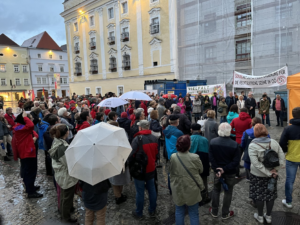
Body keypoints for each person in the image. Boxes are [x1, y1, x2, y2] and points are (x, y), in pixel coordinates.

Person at [248, 124, 285, 224]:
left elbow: (256, 163)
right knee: (270, 195)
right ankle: (268, 216)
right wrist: (274, 170)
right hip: (273, 175)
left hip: (257, 175)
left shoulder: (252, 145)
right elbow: (282, 158)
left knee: (259, 195)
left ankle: (260, 216)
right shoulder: (273, 142)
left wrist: (267, 173)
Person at [170, 135, 204, 225]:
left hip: (178, 186)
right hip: (191, 186)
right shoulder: (195, 157)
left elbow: (171, 170)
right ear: (189, 146)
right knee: (193, 213)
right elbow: (201, 170)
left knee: (179, 211)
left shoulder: (173, 156)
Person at [209, 123, 240, 220]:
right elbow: (236, 161)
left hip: (217, 171)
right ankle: (225, 213)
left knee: (216, 190)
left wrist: (217, 169)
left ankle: (214, 211)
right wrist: (225, 169)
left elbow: (211, 158)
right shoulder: (235, 144)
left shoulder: (213, 142)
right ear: (229, 131)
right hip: (230, 172)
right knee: (228, 191)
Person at [128, 120, 158, 219]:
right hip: (151, 168)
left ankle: (139, 212)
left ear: (140, 127)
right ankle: (152, 209)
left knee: (140, 192)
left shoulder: (137, 139)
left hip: (139, 169)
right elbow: (157, 153)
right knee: (152, 190)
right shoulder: (154, 138)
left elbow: (131, 154)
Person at [49, 124, 78, 223]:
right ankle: (66, 216)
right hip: (66, 176)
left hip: (61, 174)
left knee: (64, 195)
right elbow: (68, 163)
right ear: (66, 133)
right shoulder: (62, 147)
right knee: (66, 197)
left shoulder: (57, 142)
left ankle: (65, 211)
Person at [13, 111, 42, 198]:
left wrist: (35, 137)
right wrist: (25, 117)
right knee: (30, 172)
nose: (32, 119)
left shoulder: (21, 126)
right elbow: (31, 126)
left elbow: (34, 132)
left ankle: (31, 187)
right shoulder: (21, 127)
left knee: (30, 171)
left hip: (27, 151)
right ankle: (30, 192)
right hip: (27, 153)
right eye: (30, 118)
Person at [279, 107, 300, 209]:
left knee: (290, 180)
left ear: (293, 115)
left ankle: (289, 202)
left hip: (292, 157)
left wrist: (286, 150)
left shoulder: (288, 129)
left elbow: (281, 144)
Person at [108, 122, 131, 205]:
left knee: (117, 179)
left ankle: (119, 194)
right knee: (117, 179)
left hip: (115, 160)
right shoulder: (120, 136)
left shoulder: (109, 137)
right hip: (119, 160)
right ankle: (118, 196)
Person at [190, 123, 211, 204]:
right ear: (199, 130)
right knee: (204, 180)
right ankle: (204, 196)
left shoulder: (189, 139)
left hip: (191, 161)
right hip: (203, 161)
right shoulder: (205, 140)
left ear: (191, 130)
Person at [241, 117, 265, 181]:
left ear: (252, 123)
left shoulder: (246, 132)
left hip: (248, 153)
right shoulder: (265, 133)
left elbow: (243, 143)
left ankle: (249, 177)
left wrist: (245, 149)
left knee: (248, 165)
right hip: (260, 153)